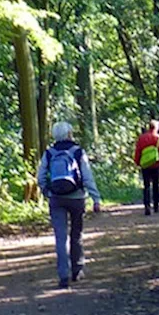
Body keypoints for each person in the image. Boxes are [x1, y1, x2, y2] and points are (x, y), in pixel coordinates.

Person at [37, 121, 102, 289]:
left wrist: (47, 192)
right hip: (77, 198)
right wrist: (96, 198)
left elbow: (41, 176)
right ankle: (77, 269)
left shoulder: (49, 153)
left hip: (56, 198)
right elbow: (87, 177)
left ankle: (63, 276)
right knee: (76, 234)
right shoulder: (78, 152)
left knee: (60, 237)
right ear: (69, 134)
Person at [133, 119, 159, 216]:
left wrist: (137, 162)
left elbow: (138, 151)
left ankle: (147, 206)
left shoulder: (142, 138)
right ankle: (156, 206)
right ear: (156, 127)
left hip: (145, 165)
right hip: (156, 164)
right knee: (156, 185)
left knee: (146, 186)